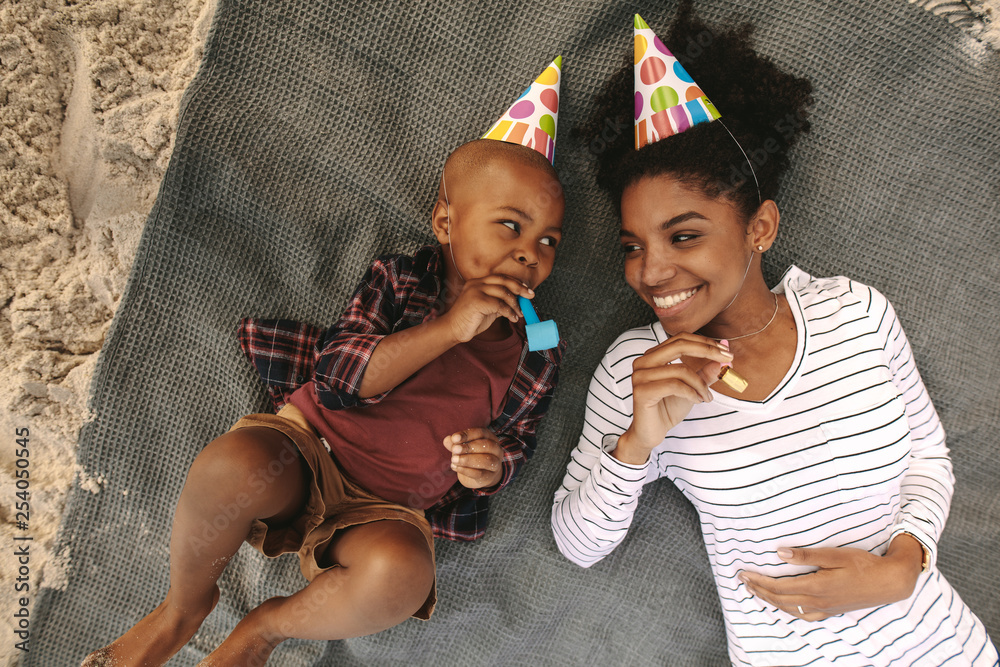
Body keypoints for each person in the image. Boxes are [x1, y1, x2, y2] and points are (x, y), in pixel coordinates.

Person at [551, 7, 998, 666]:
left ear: (759, 228)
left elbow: (929, 456)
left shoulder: (857, 311)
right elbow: (576, 543)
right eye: (632, 244)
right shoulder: (636, 370)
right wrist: (635, 444)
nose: (649, 271)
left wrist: (905, 562)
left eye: (684, 235)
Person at [81, 132, 566, 666]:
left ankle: (265, 629)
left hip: (383, 512)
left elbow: (519, 441)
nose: (529, 253)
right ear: (446, 224)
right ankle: (182, 608)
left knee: (403, 577)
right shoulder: (403, 282)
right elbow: (339, 373)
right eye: (512, 226)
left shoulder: (534, 355)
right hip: (304, 451)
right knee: (232, 465)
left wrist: (491, 467)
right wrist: (451, 328)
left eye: (549, 241)